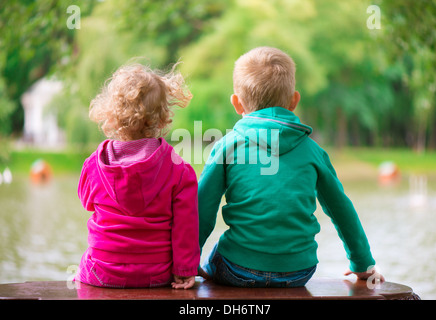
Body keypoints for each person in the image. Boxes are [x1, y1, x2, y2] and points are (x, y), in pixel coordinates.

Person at [198, 47, 384, 287]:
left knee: (215, 258)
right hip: (299, 272)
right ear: (294, 101)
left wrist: (187, 262)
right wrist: (363, 265)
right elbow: (341, 210)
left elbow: (202, 208)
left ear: (237, 103)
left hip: (237, 269)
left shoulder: (227, 147)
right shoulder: (313, 152)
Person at [75, 63, 200, 289]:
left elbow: (86, 202)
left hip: (102, 271)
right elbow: (186, 228)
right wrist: (184, 271)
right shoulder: (180, 171)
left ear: (111, 116)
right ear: (162, 119)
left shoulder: (94, 165)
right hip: (157, 274)